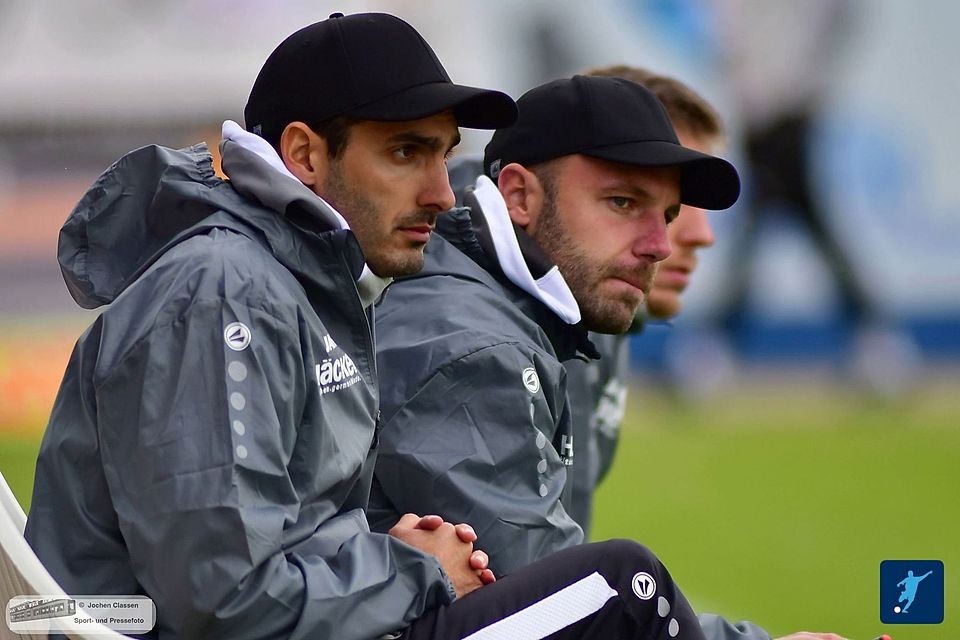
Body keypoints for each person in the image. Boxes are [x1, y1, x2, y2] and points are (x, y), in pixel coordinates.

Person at [25, 13, 707, 640]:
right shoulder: (223, 292)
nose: (442, 192)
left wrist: (393, 557)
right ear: (305, 155)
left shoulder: (299, 282)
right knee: (622, 589)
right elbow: (220, 598)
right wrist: (417, 571)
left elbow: (283, 548)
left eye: (445, 155)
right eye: (407, 152)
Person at [369, 74, 739, 574]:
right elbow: (555, 596)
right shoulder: (475, 350)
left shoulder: (535, 311)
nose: (661, 245)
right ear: (519, 196)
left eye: (667, 215)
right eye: (623, 202)